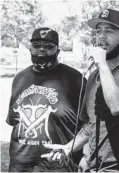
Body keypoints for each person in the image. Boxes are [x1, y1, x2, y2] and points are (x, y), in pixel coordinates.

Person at [42, 9, 119, 172]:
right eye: (98, 31)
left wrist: (101, 64)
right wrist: (70, 147)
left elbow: (118, 107)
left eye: (109, 31)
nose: (101, 36)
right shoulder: (95, 75)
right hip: (95, 167)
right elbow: (91, 124)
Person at [6, 27, 86, 172]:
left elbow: (89, 125)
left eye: (49, 46)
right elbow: (14, 120)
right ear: (30, 49)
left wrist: (86, 157)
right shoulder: (20, 78)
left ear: (58, 51)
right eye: (36, 46)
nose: (41, 50)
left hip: (59, 165)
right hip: (20, 167)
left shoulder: (75, 80)